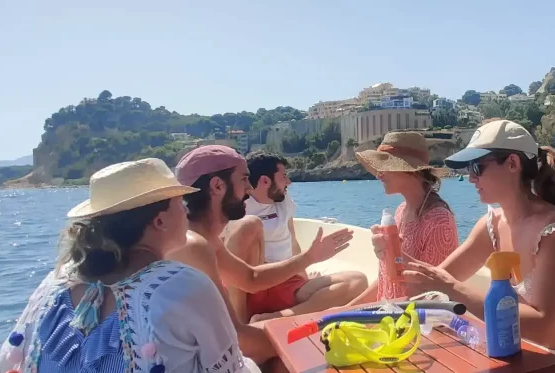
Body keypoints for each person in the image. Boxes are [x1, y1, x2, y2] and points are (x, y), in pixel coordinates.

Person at [0, 158, 258, 373]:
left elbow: (8, 362)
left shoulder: (54, 281)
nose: (185, 211)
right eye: (179, 203)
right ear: (159, 221)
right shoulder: (182, 285)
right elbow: (230, 368)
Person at [397, 119, 555, 373]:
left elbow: (544, 326)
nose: (470, 178)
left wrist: (452, 288)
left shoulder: (554, 233)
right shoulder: (491, 224)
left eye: (477, 167)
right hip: (513, 360)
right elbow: (431, 280)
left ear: (512, 163)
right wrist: (391, 253)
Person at [166, 145, 353, 364]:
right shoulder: (192, 245)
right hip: (206, 358)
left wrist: (311, 256)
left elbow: (250, 279)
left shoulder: (202, 238)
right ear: (217, 186)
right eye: (244, 179)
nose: (249, 187)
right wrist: (313, 333)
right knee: (317, 352)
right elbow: (236, 340)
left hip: (214, 352)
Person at [221, 151, 367, 323]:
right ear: (265, 181)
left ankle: (275, 318)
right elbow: (228, 251)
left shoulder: (283, 201)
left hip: (287, 279)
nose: (289, 182)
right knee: (250, 226)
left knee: (357, 281)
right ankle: (241, 322)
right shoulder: (238, 207)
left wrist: (303, 276)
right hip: (253, 284)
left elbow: (292, 240)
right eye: (283, 177)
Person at [345, 131, 459, 306]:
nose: (378, 174)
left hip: (415, 324)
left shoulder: (438, 220)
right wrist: (347, 308)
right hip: (389, 315)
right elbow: (386, 281)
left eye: (385, 166)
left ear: (410, 170)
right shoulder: (399, 212)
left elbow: (431, 295)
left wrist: (393, 254)